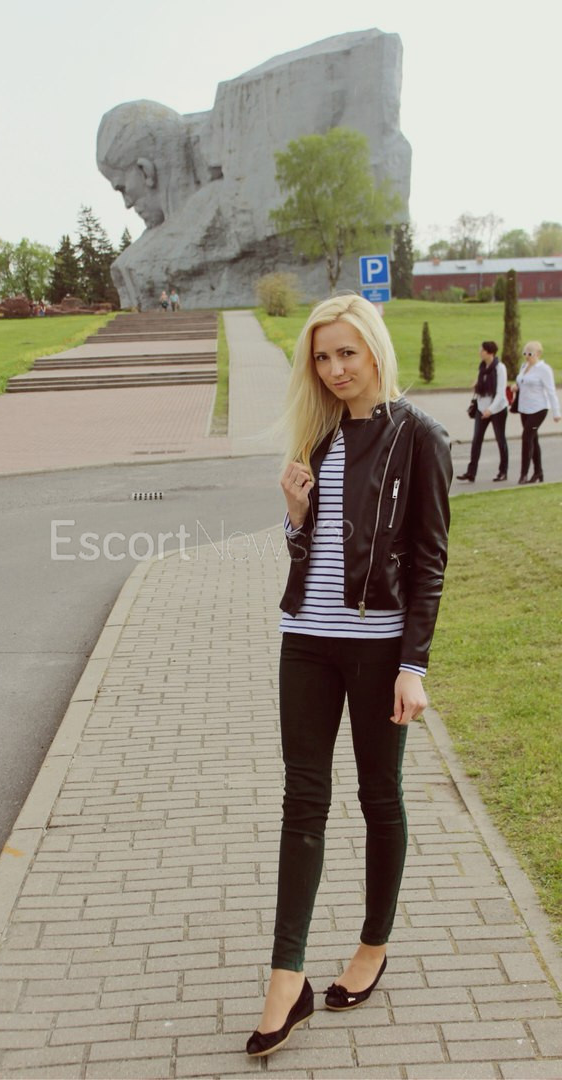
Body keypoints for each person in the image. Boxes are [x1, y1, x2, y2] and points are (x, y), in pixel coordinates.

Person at [245, 294, 452, 1059]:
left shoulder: (420, 437)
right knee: (303, 801)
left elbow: (428, 560)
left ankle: (373, 945)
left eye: (346, 353)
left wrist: (413, 665)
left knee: (377, 796)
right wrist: (295, 518)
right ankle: (286, 978)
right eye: (322, 356)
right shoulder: (320, 434)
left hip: (377, 649)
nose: (334, 369)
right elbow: (312, 555)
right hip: (306, 640)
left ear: (374, 351)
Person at [457, 340, 509, 482]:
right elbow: (482, 388)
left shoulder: (500, 368)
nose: (479, 352)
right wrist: (477, 386)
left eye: (482, 350)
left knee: (501, 440)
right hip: (481, 410)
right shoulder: (482, 367)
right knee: (476, 441)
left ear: (489, 352)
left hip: (497, 410)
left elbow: (501, 393)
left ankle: (503, 472)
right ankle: (471, 473)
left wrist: (490, 410)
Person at [514, 341, 561, 483]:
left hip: (538, 409)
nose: (527, 356)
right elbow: (521, 382)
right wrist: (515, 386)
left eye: (530, 353)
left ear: (538, 354)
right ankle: (538, 472)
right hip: (524, 409)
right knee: (533, 439)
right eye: (525, 353)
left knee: (526, 438)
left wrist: (556, 412)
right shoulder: (524, 367)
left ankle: (523, 474)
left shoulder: (544, 369)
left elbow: (551, 391)